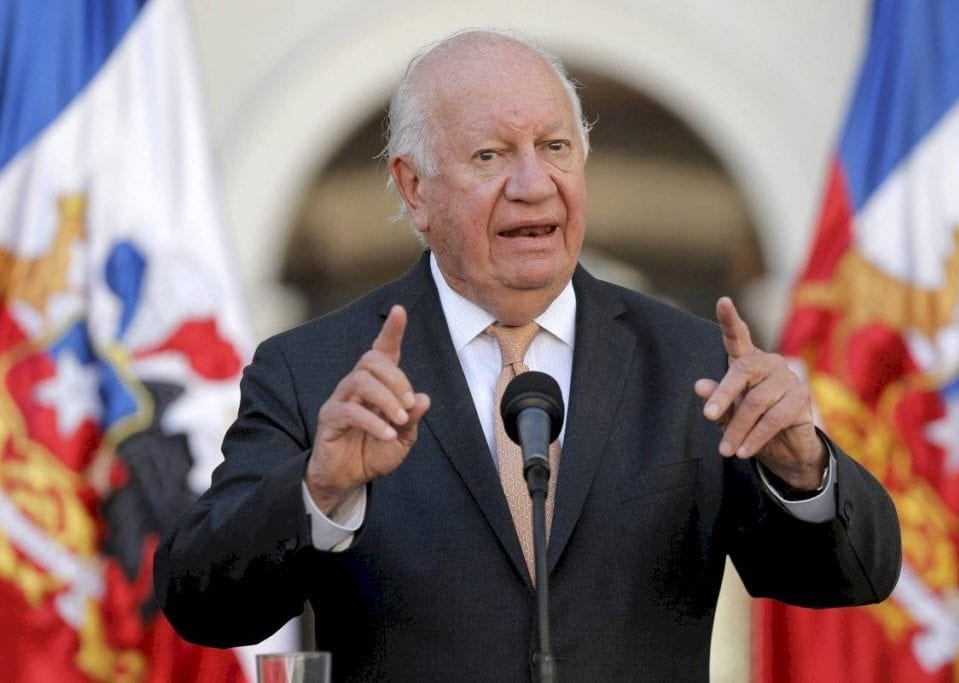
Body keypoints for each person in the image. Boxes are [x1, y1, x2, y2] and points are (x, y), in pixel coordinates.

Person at [154, 29, 900, 681]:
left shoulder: (693, 365)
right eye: (490, 155)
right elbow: (201, 603)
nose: (533, 184)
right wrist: (320, 489)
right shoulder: (314, 372)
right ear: (415, 189)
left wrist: (804, 470)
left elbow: (857, 577)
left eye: (555, 148)